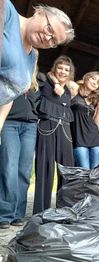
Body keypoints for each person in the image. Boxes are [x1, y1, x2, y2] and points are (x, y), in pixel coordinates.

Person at [1, 2, 74, 133]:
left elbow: (8, 94)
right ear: (39, 12)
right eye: (50, 29)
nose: (47, 38)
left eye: (53, 41)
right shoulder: (6, 10)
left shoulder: (32, 57)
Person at [34, 55, 75, 214]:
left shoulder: (68, 92)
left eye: (67, 69)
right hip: (47, 127)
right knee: (45, 167)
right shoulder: (45, 81)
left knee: (67, 170)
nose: (63, 72)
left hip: (65, 130)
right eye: (60, 68)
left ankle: (64, 209)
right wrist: (55, 82)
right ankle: (41, 211)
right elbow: (39, 74)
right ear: (54, 68)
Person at [0, 62, 39, 228]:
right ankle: (5, 214)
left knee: (24, 171)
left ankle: (18, 214)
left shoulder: (36, 85)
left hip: (30, 127)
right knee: (9, 168)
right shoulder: (9, 76)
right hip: (10, 124)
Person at [70, 71, 99, 169]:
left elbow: (95, 123)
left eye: (98, 82)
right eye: (93, 78)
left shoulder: (94, 100)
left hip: (95, 138)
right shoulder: (75, 90)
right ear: (86, 77)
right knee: (84, 173)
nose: (95, 82)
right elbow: (65, 81)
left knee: (94, 174)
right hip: (79, 138)